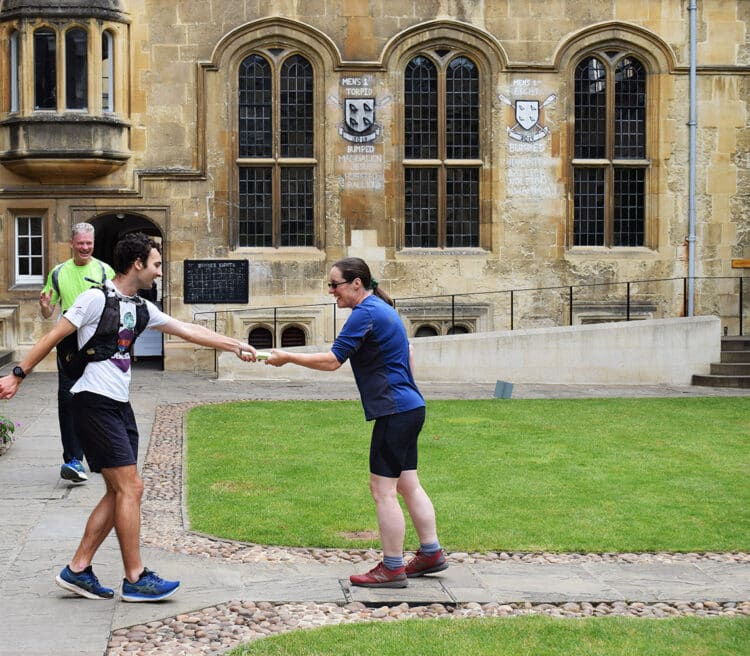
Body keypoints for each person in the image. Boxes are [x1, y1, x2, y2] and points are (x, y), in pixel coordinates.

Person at [0, 232, 257, 602]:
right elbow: (54, 335)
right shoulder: (94, 299)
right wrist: (18, 375)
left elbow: (189, 329)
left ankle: (78, 570)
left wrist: (234, 345)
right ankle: (134, 577)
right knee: (131, 488)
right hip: (92, 401)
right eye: (155, 264)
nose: (158, 271)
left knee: (118, 490)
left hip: (118, 406)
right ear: (137, 264)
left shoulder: (141, 307)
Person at [264, 257, 447, 588]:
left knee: (383, 490)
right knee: (407, 484)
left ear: (356, 284)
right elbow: (409, 354)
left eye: (335, 284)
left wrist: (288, 356)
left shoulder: (366, 313)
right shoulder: (382, 309)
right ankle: (431, 553)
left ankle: (392, 567)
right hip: (409, 407)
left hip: (395, 412)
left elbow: (333, 360)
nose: (331, 291)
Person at [40, 222, 115, 484]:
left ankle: (107, 454)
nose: (85, 247)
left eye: (89, 243)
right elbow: (48, 311)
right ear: (71, 243)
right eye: (80, 243)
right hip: (70, 339)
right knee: (68, 398)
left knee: (102, 396)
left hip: (99, 338)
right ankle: (73, 460)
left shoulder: (105, 271)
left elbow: (115, 306)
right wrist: (47, 308)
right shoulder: (58, 273)